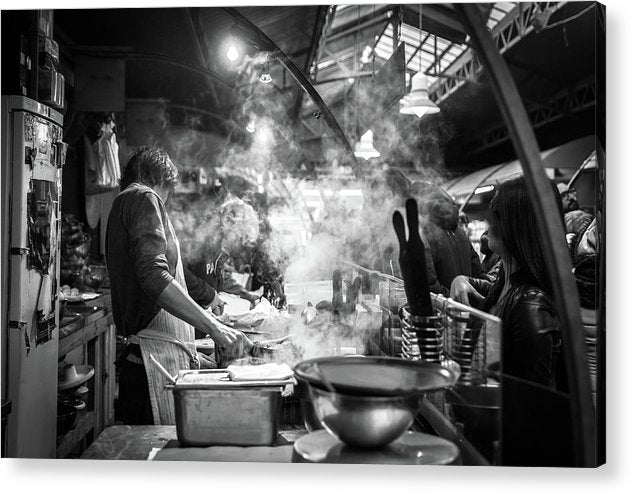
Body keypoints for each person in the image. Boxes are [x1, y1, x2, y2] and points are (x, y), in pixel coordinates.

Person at [106, 146, 252, 426]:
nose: (167, 201)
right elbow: (154, 275)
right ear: (158, 177)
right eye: (169, 191)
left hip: (147, 360)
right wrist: (216, 328)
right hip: (150, 364)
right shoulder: (143, 196)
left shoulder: (124, 202)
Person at [449, 176, 572, 466]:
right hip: (486, 437)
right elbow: (488, 291)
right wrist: (460, 279)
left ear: (518, 224)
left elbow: (532, 411)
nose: (487, 222)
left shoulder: (531, 304)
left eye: (496, 213)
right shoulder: (506, 277)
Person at [187, 197, 263, 308]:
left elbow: (222, 279)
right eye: (240, 236)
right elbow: (181, 274)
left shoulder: (221, 252)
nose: (242, 244)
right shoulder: (201, 241)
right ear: (228, 222)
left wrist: (246, 295)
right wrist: (210, 296)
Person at [411, 181, 483, 296]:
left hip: (444, 310)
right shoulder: (461, 233)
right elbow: (478, 274)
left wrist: (452, 300)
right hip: (469, 308)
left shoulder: (424, 233)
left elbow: (428, 284)